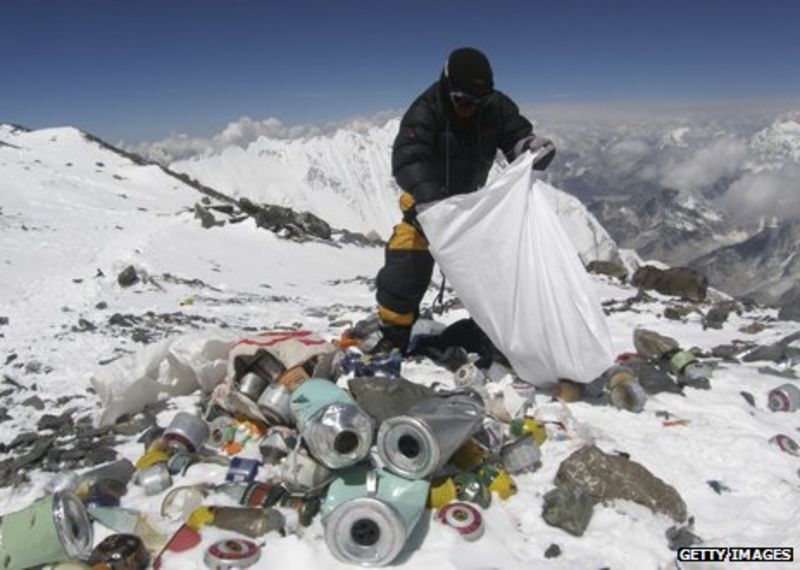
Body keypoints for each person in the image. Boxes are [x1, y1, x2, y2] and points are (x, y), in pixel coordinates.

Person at [370, 47, 556, 354]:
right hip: (425, 208)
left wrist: (530, 148)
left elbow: (515, 137)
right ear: (446, 85)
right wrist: (430, 201)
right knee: (406, 264)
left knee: (499, 269)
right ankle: (394, 335)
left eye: (478, 101)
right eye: (462, 100)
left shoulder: (495, 107)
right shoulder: (426, 110)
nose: (470, 107)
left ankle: (500, 336)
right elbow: (407, 158)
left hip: (472, 208)